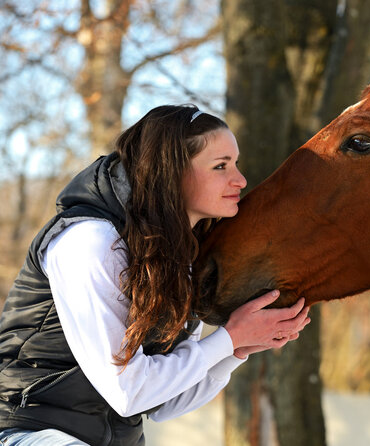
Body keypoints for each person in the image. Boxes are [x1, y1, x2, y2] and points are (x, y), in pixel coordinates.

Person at [0, 105, 310, 445]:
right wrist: (229, 338)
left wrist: (238, 349)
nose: (240, 180)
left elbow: (163, 403)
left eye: (235, 164)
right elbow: (128, 391)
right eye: (221, 166)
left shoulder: (178, 257)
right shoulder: (90, 242)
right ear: (171, 171)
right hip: (25, 432)